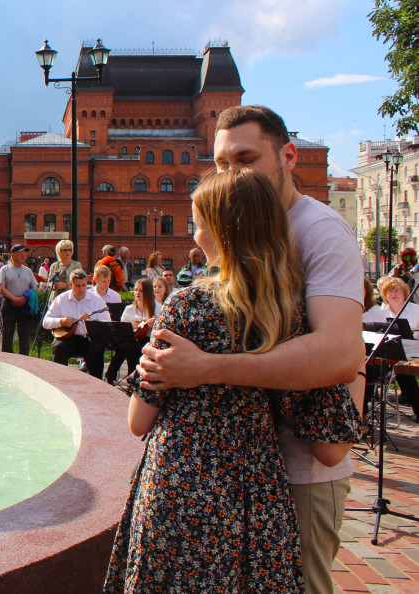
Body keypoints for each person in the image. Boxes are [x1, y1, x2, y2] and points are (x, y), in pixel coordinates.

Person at [136, 105, 365, 594]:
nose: (233, 174)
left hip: (293, 472)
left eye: (246, 158)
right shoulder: (232, 291)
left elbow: (340, 355)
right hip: (259, 476)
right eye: (222, 164)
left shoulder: (320, 230)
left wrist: (204, 368)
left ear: (287, 155)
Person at [43, 268, 110, 378]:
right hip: (69, 338)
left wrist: (89, 323)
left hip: (90, 339)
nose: (81, 289)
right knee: (59, 348)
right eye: (78, 286)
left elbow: (107, 323)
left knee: (96, 349)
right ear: (71, 284)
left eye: (84, 285)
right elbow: (46, 322)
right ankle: (61, 382)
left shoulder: (96, 299)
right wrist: (61, 321)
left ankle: (97, 385)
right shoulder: (61, 299)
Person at [105, 279, 161, 386]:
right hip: (130, 338)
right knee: (124, 346)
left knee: (131, 347)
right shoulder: (129, 309)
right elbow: (121, 328)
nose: (137, 293)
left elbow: (161, 329)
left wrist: (152, 325)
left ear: (148, 293)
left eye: (141, 291)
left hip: (148, 340)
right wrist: (130, 326)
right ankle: (114, 376)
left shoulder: (157, 308)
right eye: (136, 290)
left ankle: (128, 377)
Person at [378, 276, 419, 420]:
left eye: (397, 290)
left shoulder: (416, 310)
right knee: (369, 369)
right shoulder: (382, 312)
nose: (393, 294)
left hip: (413, 352)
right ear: (385, 295)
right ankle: (364, 415)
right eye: (389, 291)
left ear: (405, 293)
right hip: (389, 353)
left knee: (403, 371)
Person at [0, 244, 38, 356]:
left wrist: (26, 298)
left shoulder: (28, 270)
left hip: (25, 305)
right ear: (13, 255)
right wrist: (14, 299)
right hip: (9, 304)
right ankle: (7, 358)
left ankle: (24, 358)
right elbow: (1, 288)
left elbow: (35, 287)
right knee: (7, 333)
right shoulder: (4, 269)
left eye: (25, 254)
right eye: (21, 254)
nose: (24, 256)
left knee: (24, 335)